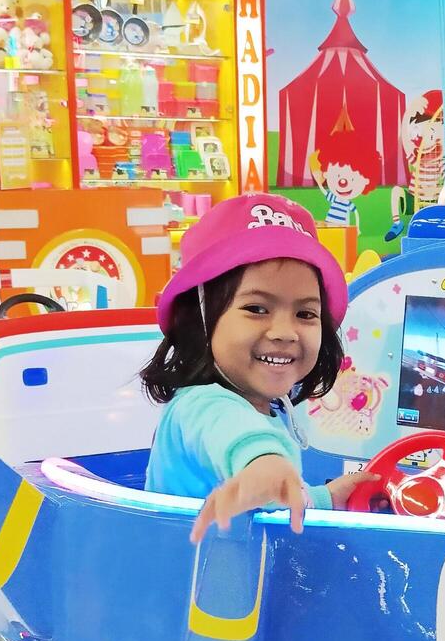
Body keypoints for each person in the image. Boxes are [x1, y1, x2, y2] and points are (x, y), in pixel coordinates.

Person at [140, 193, 376, 542]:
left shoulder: (268, 408)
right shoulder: (202, 406)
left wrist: (328, 497)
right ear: (200, 321)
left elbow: (272, 501)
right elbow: (241, 441)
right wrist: (267, 466)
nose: (284, 332)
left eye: (305, 314)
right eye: (257, 308)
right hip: (188, 589)